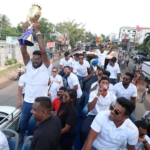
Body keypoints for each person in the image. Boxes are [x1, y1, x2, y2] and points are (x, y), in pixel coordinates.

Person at [18, 21, 52, 142]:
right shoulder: (28, 65)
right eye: (34, 58)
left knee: (38, 123)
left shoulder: (46, 66)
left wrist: (37, 31)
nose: (35, 60)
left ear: (42, 59)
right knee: (23, 120)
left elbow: (43, 51)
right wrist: (25, 30)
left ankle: (35, 138)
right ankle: (21, 136)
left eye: (38, 59)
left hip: (41, 102)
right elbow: (23, 51)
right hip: (27, 101)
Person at [80, 77, 116, 148]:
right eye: (103, 82)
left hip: (105, 117)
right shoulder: (93, 93)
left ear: (108, 86)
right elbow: (90, 108)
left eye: (106, 83)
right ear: (99, 85)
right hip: (93, 115)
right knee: (83, 131)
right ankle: (83, 146)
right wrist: (98, 95)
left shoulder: (112, 96)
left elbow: (113, 108)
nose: (105, 84)